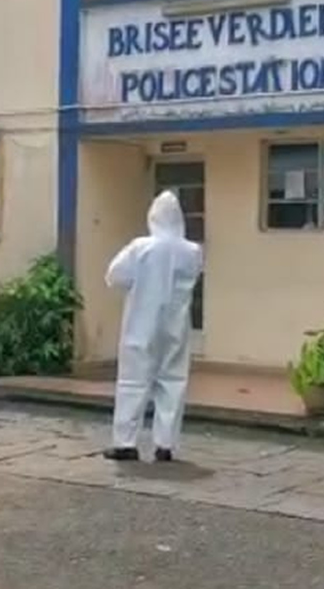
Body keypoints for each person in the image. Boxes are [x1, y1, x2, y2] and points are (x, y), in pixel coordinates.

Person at [103, 190, 204, 462]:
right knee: (173, 382)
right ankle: (165, 445)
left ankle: (125, 443)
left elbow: (114, 276)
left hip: (141, 322)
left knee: (133, 382)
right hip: (176, 325)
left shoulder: (140, 247)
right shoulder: (192, 251)